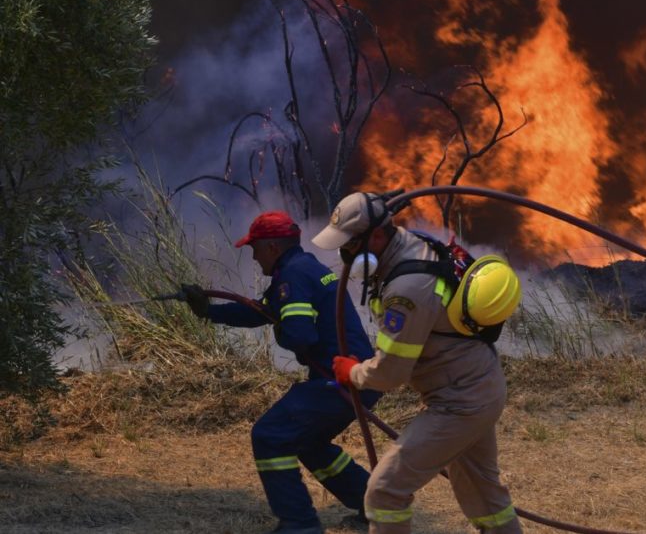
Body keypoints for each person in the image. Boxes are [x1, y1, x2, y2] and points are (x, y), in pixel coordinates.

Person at [311, 193, 523, 534]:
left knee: (384, 492)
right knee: (485, 499)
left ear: (377, 236)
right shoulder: (409, 245)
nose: (344, 254)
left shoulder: (407, 288)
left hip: (461, 402)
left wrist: (353, 372)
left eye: (349, 244)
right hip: (479, 387)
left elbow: (392, 373)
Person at [181, 211, 380, 534]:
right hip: (354, 377)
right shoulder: (303, 269)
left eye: (255, 248)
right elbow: (260, 311)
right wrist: (208, 311)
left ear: (272, 247)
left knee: (270, 435)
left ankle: (299, 525)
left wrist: (282, 332)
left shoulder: (292, 278)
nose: (254, 256)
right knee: (310, 442)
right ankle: (377, 507)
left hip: (341, 380)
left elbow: (300, 335)